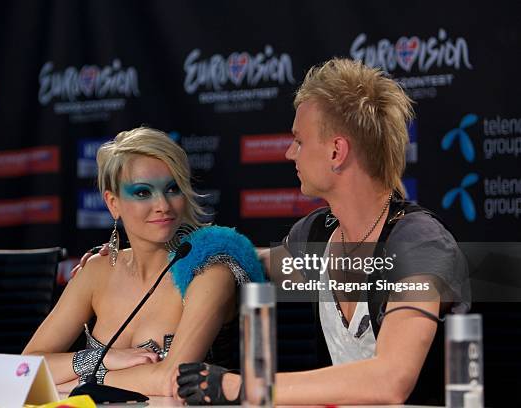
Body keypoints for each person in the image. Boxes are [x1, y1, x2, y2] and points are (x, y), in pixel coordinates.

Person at [175, 58, 469, 405]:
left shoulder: (418, 242)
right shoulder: (317, 234)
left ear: (336, 151)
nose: (289, 152)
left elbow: (390, 380)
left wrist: (245, 387)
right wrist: (159, 251)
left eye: (298, 140)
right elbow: (250, 261)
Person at [23, 126, 264, 397]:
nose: (162, 204)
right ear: (113, 203)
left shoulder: (209, 269)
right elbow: (25, 367)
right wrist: (100, 358)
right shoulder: (96, 270)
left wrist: (80, 382)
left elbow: (173, 379)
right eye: (142, 192)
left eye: (172, 188)